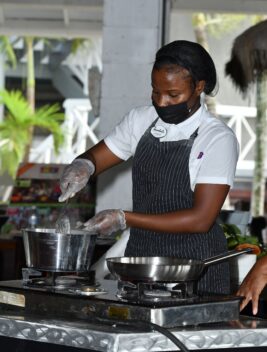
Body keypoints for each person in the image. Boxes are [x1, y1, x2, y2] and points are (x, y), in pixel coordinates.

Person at [59, 40, 239, 295]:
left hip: (195, 270)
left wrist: (124, 218)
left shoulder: (217, 138)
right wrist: (83, 165)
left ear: (199, 87)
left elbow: (201, 219)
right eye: (156, 92)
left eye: (173, 95)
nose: (162, 102)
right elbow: (99, 156)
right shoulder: (140, 120)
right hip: (142, 265)